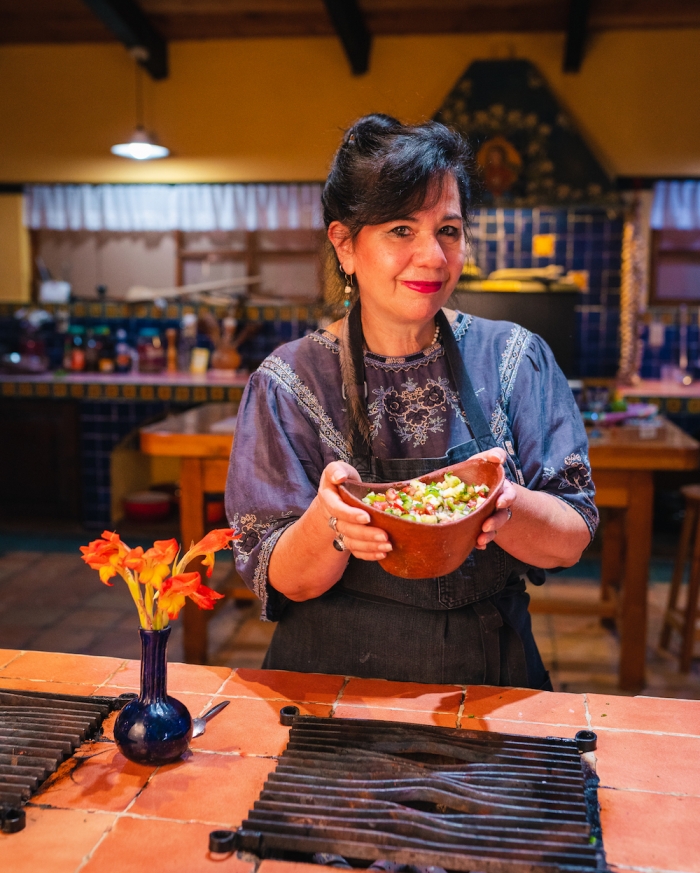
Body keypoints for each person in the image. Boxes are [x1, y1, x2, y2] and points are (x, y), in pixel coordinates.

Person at [225, 114, 597, 689]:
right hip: (331, 683)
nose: (433, 257)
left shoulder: (516, 359)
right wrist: (331, 520)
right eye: (401, 229)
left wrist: (502, 502)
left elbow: (570, 538)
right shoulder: (288, 381)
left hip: (489, 677)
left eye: (448, 230)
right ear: (345, 244)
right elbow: (283, 578)